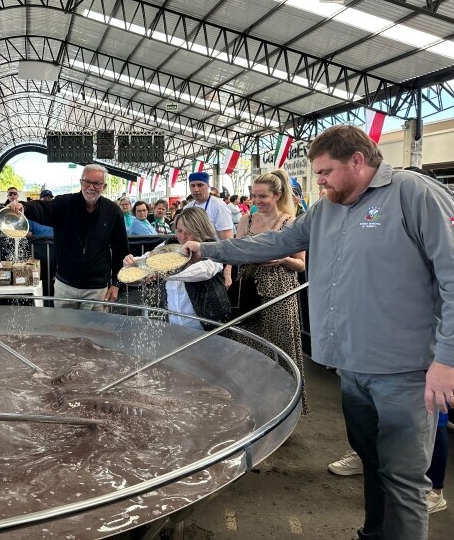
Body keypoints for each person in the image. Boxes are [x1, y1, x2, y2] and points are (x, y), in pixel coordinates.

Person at [183, 125, 454, 540]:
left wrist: (447, 361)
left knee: (404, 480)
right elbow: (271, 243)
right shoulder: (327, 209)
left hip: (405, 369)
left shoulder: (412, 193)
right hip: (351, 366)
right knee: (372, 463)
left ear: (357, 162)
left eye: (325, 172)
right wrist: (207, 248)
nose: (320, 182)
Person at [230, 169, 308, 413]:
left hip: (279, 294)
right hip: (248, 292)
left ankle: (283, 408)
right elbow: (235, 252)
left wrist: (283, 259)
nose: (257, 201)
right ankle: (249, 404)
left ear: (277, 195)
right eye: (254, 196)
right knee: (246, 348)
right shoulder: (246, 220)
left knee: (281, 350)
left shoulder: (290, 222)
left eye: (262, 196)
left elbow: (301, 264)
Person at [8, 164, 129, 311]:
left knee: (95, 326)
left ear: (104, 186)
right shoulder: (64, 204)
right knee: (63, 325)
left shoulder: (113, 211)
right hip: (65, 286)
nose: (91, 187)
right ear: (81, 182)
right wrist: (24, 207)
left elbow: (120, 249)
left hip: (96, 290)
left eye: (96, 183)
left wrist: (116, 284)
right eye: (87, 182)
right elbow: (44, 208)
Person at [123, 207, 230, 330]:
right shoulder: (170, 244)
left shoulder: (211, 247)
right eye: (179, 230)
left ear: (200, 230)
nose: (182, 237)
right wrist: (132, 261)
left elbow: (203, 271)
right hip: (174, 320)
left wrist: (162, 272)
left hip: (206, 323)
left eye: (189, 232)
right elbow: (149, 257)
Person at [185, 171, 233, 286]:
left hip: (215, 263)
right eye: (192, 186)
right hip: (194, 262)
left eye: (200, 185)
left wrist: (227, 271)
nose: (196, 189)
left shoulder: (219, 206)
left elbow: (228, 242)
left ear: (208, 186)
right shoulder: (188, 208)